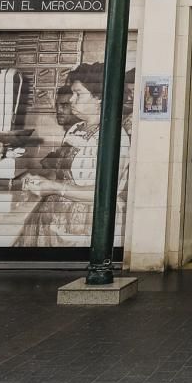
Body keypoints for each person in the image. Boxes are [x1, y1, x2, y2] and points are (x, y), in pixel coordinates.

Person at [16, 63, 133, 247]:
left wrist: (55, 187)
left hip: (85, 223)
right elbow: (62, 173)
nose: (71, 100)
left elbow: (105, 193)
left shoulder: (114, 136)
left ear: (99, 98)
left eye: (78, 94)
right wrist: (39, 181)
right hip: (54, 215)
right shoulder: (75, 129)